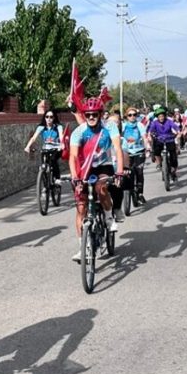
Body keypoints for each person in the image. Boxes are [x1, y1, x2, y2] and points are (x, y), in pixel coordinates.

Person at [68, 97, 123, 263]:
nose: (91, 117)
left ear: (100, 114)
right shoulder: (79, 132)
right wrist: (74, 177)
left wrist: (119, 171)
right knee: (81, 208)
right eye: (88, 115)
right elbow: (73, 156)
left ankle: (108, 217)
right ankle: (82, 248)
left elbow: (118, 149)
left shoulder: (110, 127)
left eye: (94, 114)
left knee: (102, 188)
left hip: (104, 166)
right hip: (85, 168)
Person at [24, 109, 64, 179]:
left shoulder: (58, 127)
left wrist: (62, 144)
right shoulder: (41, 127)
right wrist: (27, 146)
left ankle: (57, 179)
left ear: (54, 118)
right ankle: (46, 185)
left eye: (51, 117)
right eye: (47, 117)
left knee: (53, 160)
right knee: (43, 166)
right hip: (46, 149)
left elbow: (61, 136)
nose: (49, 119)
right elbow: (33, 138)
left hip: (57, 149)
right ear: (44, 118)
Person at [121, 107, 147, 205]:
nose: (132, 117)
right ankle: (128, 191)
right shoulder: (123, 126)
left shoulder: (140, 125)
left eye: (134, 115)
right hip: (126, 153)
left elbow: (144, 137)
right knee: (126, 173)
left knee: (139, 172)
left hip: (139, 152)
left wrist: (147, 147)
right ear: (126, 116)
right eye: (130, 115)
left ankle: (140, 194)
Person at [147, 108, 181, 181]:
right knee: (156, 151)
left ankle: (173, 172)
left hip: (169, 139)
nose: (161, 118)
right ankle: (159, 164)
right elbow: (150, 130)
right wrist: (149, 136)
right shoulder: (155, 123)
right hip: (159, 140)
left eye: (162, 116)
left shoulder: (169, 121)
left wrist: (178, 133)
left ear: (165, 116)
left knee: (174, 158)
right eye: (159, 117)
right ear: (157, 117)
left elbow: (175, 127)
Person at [105, 109, 126, 221]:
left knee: (117, 187)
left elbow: (124, 154)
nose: (112, 125)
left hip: (115, 171)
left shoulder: (122, 140)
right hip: (102, 171)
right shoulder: (101, 138)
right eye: (110, 122)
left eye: (115, 122)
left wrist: (123, 169)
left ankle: (117, 209)